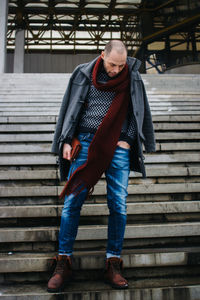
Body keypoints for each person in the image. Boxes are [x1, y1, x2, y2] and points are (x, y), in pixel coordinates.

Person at [48, 40, 156, 292]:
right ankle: (63, 261)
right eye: (112, 64)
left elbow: (135, 112)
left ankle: (113, 262)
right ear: (102, 56)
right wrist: (66, 139)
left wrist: (128, 140)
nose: (117, 70)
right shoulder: (83, 72)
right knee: (71, 202)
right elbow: (70, 108)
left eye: (120, 65)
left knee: (118, 204)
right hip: (84, 143)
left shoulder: (133, 76)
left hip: (117, 146)